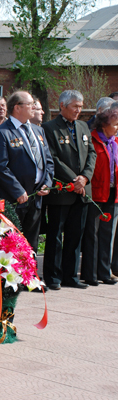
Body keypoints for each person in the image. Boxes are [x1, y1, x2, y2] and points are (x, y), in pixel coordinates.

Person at [42, 90, 97, 290]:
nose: (78, 110)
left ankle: (70, 276)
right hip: (62, 191)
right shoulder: (49, 128)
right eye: (75, 106)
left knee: (75, 235)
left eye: (81, 106)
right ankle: (53, 277)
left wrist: (85, 178)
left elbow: (92, 153)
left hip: (82, 191)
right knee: (56, 235)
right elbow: (52, 158)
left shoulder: (83, 126)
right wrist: (74, 180)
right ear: (62, 106)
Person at [0, 91, 54, 251]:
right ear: (17, 107)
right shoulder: (2, 133)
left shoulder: (38, 131)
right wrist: (17, 190)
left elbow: (48, 162)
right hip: (14, 199)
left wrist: (47, 183)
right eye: (30, 104)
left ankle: (30, 275)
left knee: (31, 243)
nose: (35, 107)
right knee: (10, 243)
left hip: (36, 197)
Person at [81, 101, 118, 286]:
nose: (117, 128)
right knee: (92, 234)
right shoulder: (93, 138)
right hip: (95, 193)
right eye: (115, 124)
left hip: (112, 192)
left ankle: (105, 271)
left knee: (107, 233)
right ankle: (90, 273)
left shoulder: (116, 142)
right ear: (105, 124)